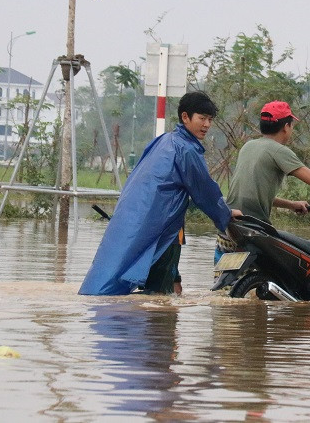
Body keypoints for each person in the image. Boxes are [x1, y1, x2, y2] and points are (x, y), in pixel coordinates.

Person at [79, 91, 242, 296]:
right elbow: (204, 191)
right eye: (202, 118)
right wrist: (225, 215)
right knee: (161, 296)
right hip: (165, 230)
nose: (207, 125)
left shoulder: (163, 141)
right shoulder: (187, 150)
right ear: (185, 117)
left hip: (137, 223)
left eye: (210, 120)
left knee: (125, 284)